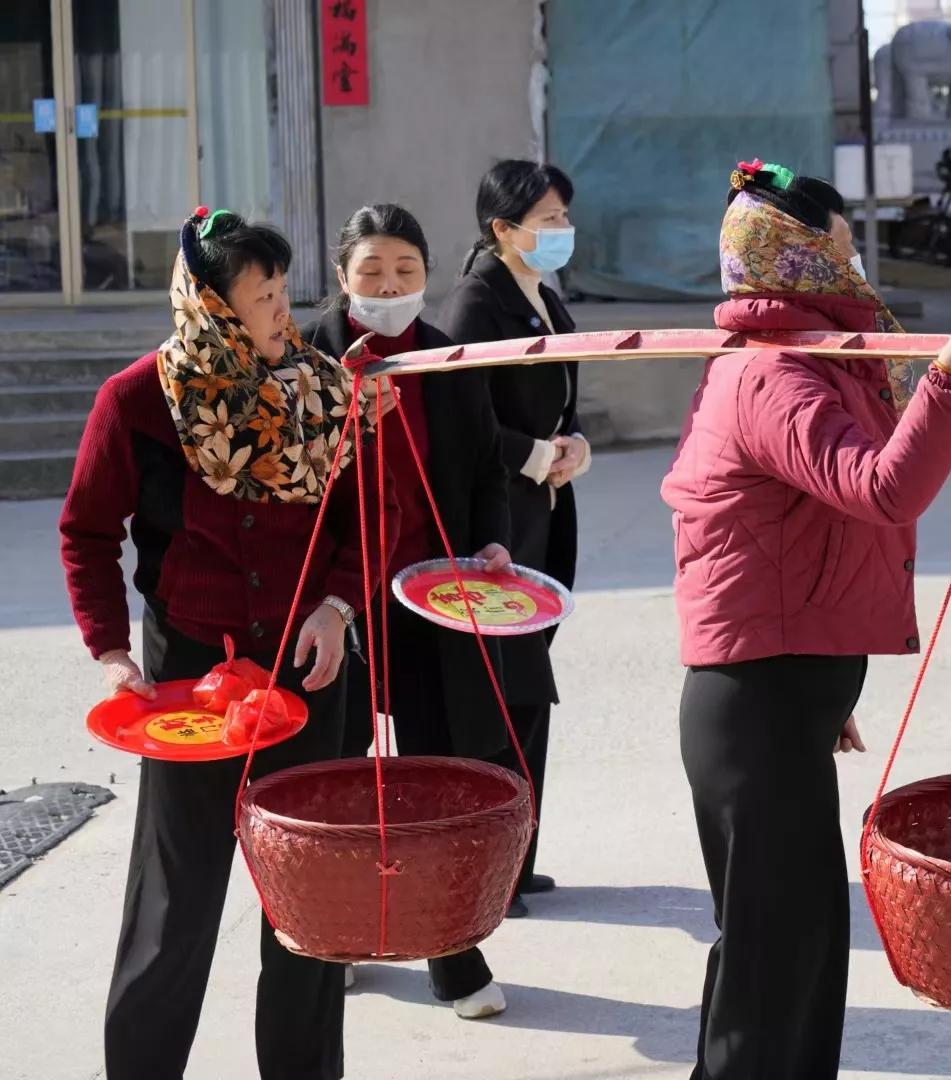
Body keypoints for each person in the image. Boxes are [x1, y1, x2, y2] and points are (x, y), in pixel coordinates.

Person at [661, 160, 951, 1079]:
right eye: (838, 240)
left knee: (801, 944)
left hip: (784, 691)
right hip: (753, 702)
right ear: (795, 253)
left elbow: (803, 542)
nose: (853, 257)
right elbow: (883, 488)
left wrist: (821, 673)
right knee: (767, 958)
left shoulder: (816, 361)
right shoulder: (775, 377)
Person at [61, 208, 397, 1079]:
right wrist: (110, 653)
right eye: (263, 296)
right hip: (187, 683)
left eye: (285, 290)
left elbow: (374, 516)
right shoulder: (138, 400)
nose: (284, 311)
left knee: (307, 902)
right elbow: (87, 533)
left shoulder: (327, 391)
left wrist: (337, 606)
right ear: (211, 307)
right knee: (175, 900)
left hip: (307, 664)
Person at [304, 203, 519, 1018]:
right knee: (337, 775)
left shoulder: (446, 356)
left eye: (404, 271)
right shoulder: (307, 356)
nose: (388, 287)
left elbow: (486, 469)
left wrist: (493, 544)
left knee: (435, 778)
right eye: (372, 272)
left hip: (431, 593)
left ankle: (451, 954)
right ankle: (336, 938)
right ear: (341, 277)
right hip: (338, 601)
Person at [438, 159, 585, 905]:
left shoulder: (545, 296)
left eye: (564, 217)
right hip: (500, 526)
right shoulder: (477, 300)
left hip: (545, 516)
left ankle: (519, 857)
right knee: (503, 694)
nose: (561, 231)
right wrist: (532, 456)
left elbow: (563, 398)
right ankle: (488, 865)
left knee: (528, 690)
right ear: (503, 229)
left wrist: (575, 444)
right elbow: (464, 422)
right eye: (548, 220)